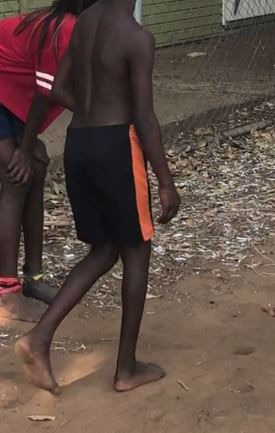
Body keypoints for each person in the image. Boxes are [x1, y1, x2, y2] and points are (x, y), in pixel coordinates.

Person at [15, 0, 181, 394]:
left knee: (105, 249)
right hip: (117, 146)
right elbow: (145, 117)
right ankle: (126, 368)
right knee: (137, 249)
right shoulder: (137, 38)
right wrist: (165, 180)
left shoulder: (85, 22)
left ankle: (39, 339)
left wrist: (90, 109)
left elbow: (58, 87)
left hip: (80, 142)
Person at [0, 0, 98, 322]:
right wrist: (25, 149)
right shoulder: (66, 27)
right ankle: (7, 292)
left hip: (8, 92)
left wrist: (30, 149)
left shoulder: (76, 26)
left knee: (36, 170)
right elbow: (48, 91)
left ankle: (34, 278)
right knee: (16, 176)